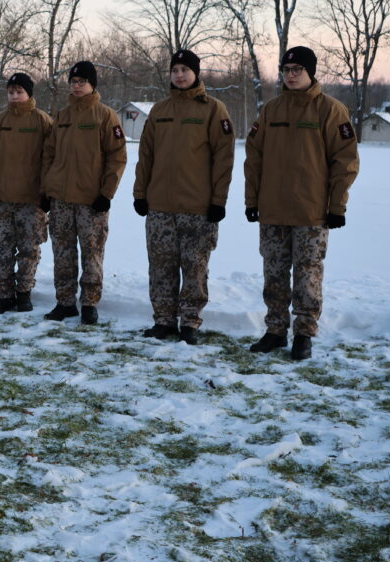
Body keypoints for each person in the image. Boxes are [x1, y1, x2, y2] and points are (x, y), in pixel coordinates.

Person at [244, 46, 359, 360]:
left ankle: (304, 335)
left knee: (307, 275)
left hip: (312, 212)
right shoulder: (271, 110)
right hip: (272, 210)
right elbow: (254, 157)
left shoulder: (330, 110)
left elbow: (345, 161)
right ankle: (275, 331)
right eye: (286, 69)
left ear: (311, 73)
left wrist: (337, 206)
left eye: (298, 69)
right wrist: (252, 199)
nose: (291, 75)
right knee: (274, 275)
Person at [133, 50, 235, 345]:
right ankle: (163, 321)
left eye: (185, 70)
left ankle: (189, 321)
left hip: (198, 207)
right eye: (175, 70)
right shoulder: (159, 111)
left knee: (194, 266)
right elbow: (146, 157)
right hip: (160, 206)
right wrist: (141, 194)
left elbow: (224, 160)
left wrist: (218, 200)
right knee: (161, 266)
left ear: (196, 73)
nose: (179, 75)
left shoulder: (214, 110)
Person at [41, 61, 127, 325]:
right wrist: (47, 189)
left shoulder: (105, 115)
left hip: (92, 201)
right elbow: (49, 155)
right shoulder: (62, 116)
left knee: (92, 253)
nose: (77, 86)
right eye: (74, 82)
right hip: (61, 200)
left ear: (93, 85)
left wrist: (106, 193)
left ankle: (89, 303)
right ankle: (65, 302)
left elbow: (117, 157)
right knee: (63, 253)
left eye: (82, 82)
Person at [0, 72, 53, 313]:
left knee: (29, 249)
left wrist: (46, 191)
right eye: (11, 92)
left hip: (31, 200)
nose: (14, 96)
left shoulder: (43, 122)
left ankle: (24, 293)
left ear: (29, 93)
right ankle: (5, 295)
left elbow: (50, 159)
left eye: (19, 91)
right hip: (2, 198)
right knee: (2, 249)